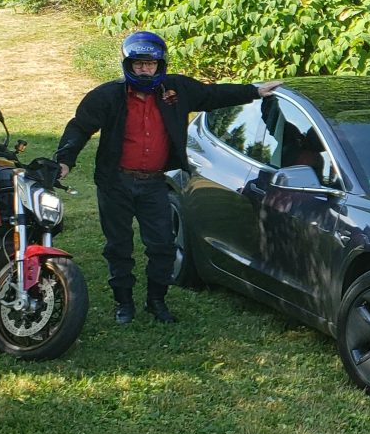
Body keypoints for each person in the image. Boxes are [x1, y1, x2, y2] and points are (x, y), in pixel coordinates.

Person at [55, 31, 281, 324]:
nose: (145, 70)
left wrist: (255, 90)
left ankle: (156, 301)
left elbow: (214, 95)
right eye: (139, 64)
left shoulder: (176, 90)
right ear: (128, 65)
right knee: (118, 246)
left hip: (154, 183)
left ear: (160, 65)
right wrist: (64, 161)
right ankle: (124, 303)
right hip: (116, 183)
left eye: (151, 64)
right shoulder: (107, 95)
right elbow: (79, 127)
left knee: (162, 244)